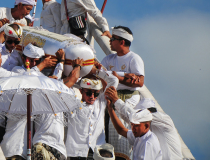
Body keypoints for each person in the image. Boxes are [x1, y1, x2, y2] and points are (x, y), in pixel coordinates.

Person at [1, 44, 63, 160]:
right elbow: (27, 79)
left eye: (37, 61)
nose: (34, 64)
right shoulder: (17, 71)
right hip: (12, 147)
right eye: (31, 60)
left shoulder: (40, 76)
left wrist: (61, 62)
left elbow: (56, 83)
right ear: (24, 58)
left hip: (27, 150)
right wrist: (42, 65)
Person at [100, 26, 145, 160]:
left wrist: (118, 77)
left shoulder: (134, 58)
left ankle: (120, 156)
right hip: (109, 95)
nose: (110, 41)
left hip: (128, 97)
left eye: (113, 39)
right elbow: (101, 76)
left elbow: (140, 82)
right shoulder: (108, 59)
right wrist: (125, 76)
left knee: (119, 127)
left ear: (122, 42)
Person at [105, 88, 183, 160]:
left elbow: (134, 116)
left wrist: (116, 100)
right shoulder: (141, 135)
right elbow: (121, 130)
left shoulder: (165, 120)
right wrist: (110, 109)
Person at [66, 64, 119, 160]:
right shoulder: (73, 102)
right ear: (81, 91)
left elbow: (114, 80)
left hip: (97, 152)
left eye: (96, 93)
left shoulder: (101, 101)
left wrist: (96, 71)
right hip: (77, 153)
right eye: (89, 93)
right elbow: (66, 85)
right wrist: (76, 68)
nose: (92, 97)